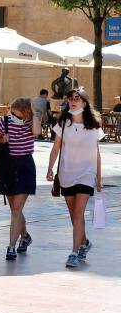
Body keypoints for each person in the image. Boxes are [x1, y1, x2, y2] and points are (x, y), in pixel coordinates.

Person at [47, 88, 104, 268]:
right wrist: (49, 168)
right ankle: (84, 242)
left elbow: (97, 152)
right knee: (74, 216)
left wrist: (99, 178)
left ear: (84, 103)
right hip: (67, 173)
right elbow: (56, 148)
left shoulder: (94, 125)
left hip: (87, 174)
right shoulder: (63, 123)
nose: (72, 102)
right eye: (70, 99)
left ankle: (73, 252)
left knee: (78, 213)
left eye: (76, 99)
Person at [0, 97, 41, 261]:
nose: (15, 118)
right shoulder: (4, 121)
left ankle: (11, 247)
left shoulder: (31, 123)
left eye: (19, 116)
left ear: (26, 114)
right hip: (7, 166)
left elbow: (37, 133)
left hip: (25, 165)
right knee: (15, 209)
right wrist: (1, 139)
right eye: (13, 114)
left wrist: (33, 115)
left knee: (16, 209)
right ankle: (25, 236)